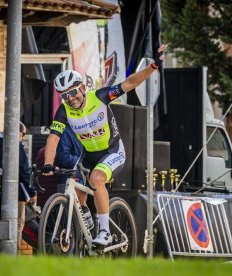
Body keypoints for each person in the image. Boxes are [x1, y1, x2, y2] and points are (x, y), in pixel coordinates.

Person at [43, 44, 168, 246]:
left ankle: (105, 232)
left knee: (96, 178)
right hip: (88, 155)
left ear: (82, 88)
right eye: (64, 96)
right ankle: (87, 220)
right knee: (73, 185)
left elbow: (129, 83)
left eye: (73, 92)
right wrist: (48, 164)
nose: (70, 98)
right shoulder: (64, 111)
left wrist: (153, 66)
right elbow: (53, 138)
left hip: (112, 151)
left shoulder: (100, 96)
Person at [0, 122, 37, 251]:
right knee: (17, 223)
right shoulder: (15, 145)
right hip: (16, 192)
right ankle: (13, 251)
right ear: (18, 132)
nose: (22, 138)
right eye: (23, 134)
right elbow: (24, 170)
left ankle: (1, 250)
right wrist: (32, 191)